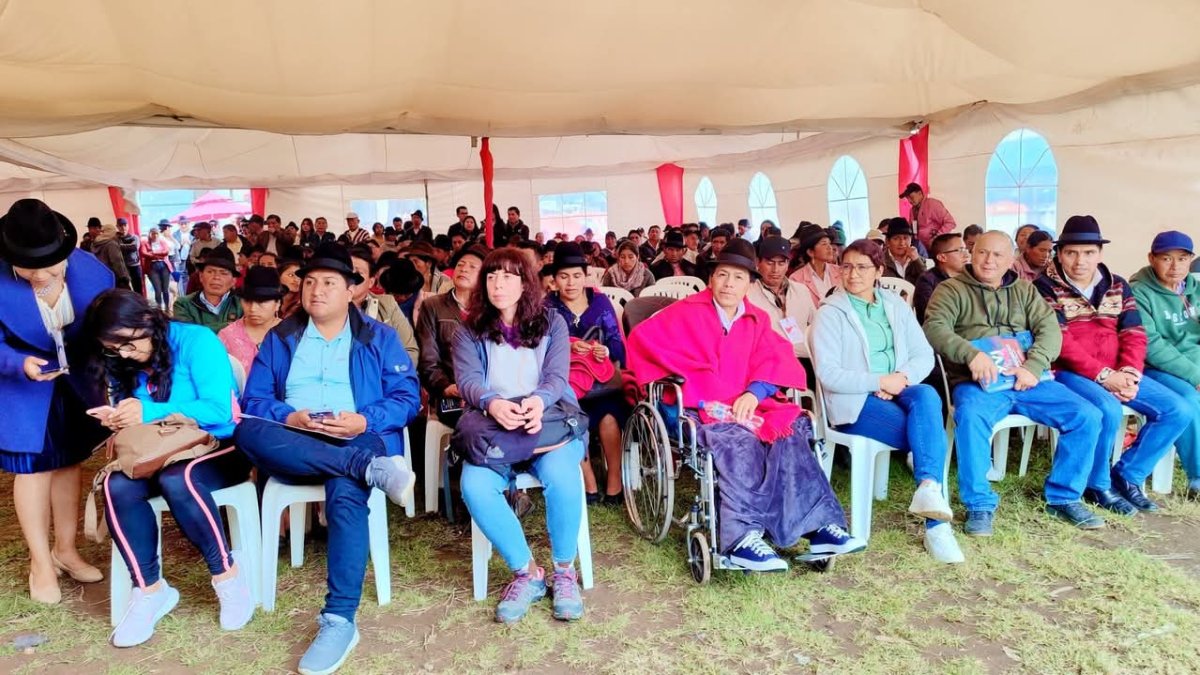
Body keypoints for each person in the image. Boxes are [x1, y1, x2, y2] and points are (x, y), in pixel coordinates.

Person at [235, 241, 420, 674]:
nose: (316, 291)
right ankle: (368, 470)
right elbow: (255, 400)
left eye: (329, 283)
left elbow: (408, 399)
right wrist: (291, 416)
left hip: (357, 435)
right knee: (246, 430)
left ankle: (339, 620)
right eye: (310, 282)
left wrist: (362, 421)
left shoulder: (379, 336)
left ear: (352, 290)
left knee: (345, 493)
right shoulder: (282, 337)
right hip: (294, 440)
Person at [627, 239, 864, 572]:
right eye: (722, 275)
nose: (728, 284)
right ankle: (742, 538)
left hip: (747, 404)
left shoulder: (756, 319)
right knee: (739, 440)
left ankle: (819, 526)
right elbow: (641, 342)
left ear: (750, 285)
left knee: (792, 428)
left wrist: (754, 393)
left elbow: (777, 362)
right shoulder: (686, 311)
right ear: (711, 279)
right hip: (700, 406)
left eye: (738, 278)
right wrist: (696, 382)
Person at [85, 289, 254, 647]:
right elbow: (140, 417)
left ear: (146, 320)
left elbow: (218, 411)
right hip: (159, 451)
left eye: (128, 345)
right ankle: (150, 589)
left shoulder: (197, 341)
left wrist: (149, 412)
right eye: (114, 349)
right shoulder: (125, 359)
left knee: (180, 478)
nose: (124, 354)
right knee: (117, 483)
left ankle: (227, 575)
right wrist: (119, 417)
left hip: (219, 444)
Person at [923, 231, 1104, 535]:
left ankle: (1063, 497)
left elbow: (1050, 330)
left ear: (1010, 260)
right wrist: (970, 354)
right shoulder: (950, 290)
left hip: (1027, 379)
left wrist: (1033, 366)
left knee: (1087, 415)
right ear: (971, 253)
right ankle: (979, 504)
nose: (989, 260)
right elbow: (935, 328)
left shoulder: (1025, 290)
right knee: (970, 416)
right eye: (982, 253)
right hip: (978, 380)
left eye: (997, 255)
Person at [452, 247, 589, 624]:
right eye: (492, 276)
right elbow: (468, 380)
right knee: (475, 486)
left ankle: (564, 571)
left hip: (549, 417)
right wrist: (492, 403)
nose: (499, 284)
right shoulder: (469, 328)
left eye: (509, 276)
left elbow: (557, 377)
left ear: (526, 282)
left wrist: (537, 403)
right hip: (494, 423)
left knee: (562, 476)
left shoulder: (553, 323)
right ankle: (527, 572)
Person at [812, 239, 963, 563]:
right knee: (926, 435)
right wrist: (879, 381)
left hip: (898, 386)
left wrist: (900, 380)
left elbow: (923, 355)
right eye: (847, 266)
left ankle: (928, 490)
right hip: (854, 400)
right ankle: (937, 527)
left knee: (926, 393)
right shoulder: (830, 313)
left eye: (862, 267)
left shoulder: (894, 305)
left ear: (879, 271)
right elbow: (829, 374)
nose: (853, 274)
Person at [1034, 216, 1188, 516]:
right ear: (1059, 253)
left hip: (1120, 370)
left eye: (1089, 252)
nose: (1080, 261)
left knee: (1177, 410)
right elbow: (1061, 342)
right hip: (1070, 371)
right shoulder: (1044, 287)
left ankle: (1127, 475)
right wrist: (1105, 376)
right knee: (1108, 408)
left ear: (1099, 254)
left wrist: (1129, 370)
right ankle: (1097, 484)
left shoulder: (1117, 285)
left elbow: (1134, 332)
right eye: (1071, 252)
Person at [0, 199, 114, 604]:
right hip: (22, 389)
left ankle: (65, 551)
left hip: (77, 381)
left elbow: (111, 322)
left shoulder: (92, 271)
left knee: (69, 462)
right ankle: (40, 564)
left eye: (51, 267)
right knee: (32, 470)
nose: (42, 276)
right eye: (30, 270)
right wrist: (16, 362)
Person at [545, 242, 628, 505]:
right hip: (565, 383)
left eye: (576, 275)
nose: (571, 283)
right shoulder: (547, 307)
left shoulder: (600, 301)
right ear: (554, 280)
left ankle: (614, 478)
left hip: (601, 381)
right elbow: (540, 348)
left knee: (609, 416)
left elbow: (617, 344)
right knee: (570, 415)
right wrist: (568, 347)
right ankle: (588, 478)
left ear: (586, 276)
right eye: (563, 276)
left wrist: (604, 349)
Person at [1129, 231, 1200, 499]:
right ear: (1152, 259)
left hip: (1193, 361)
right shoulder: (1139, 291)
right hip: (1156, 367)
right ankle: (1198, 477)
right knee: (1189, 398)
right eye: (1166, 258)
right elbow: (1152, 346)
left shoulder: (1195, 288)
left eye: (1182, 259)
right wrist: (1195, 374)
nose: (1175, 266)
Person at [417, 245, 486, 426]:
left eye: (472, 267)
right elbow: (427, 358)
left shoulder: (490, 309)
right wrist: (446, 387)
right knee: (474, 422)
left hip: (488, 392)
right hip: (450, 392)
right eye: (461, 264)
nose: (464, 269)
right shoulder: (433, 306)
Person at [748, 235, 817, 361]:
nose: (775, 269)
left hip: (801, 358)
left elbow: (817, 324)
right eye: (770, 263)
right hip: (768, 360)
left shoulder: (801, 290)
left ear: (788, 264)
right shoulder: (748, 293)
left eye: (781, 263)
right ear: (758, 263)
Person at [348, 247, 419, 364]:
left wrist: (389, 377)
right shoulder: (324, 307)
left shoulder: (387, 305)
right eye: (347, 271)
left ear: (371, 282)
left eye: (358, 273)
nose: (351, 277)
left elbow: (409, 349)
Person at [218, 266, 283, 376]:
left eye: (261, 302)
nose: (253, 308)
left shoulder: (290, 335)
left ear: (278, 304)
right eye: (247, 301)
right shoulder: (227, 336)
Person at [173, 247, 244, 332]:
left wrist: (201, 329)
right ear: (201, 276)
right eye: (210, 272)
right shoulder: (183, 304)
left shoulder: (242, 304)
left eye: (223, 273)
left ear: (233, 281)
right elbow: (188, 335)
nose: (216, 277)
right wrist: (229, 326)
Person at [914, 232, 969, 323]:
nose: (966, 255)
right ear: (942, 257)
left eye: (965, 250)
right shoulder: (927, 281)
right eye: (960, 250)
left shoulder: (971, 277)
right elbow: (931, 316)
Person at [789, 226, 842, 306]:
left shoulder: (839, 271)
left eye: (829, 243)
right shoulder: (796, 279)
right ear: (810, 252)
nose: (830, 247)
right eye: (824, 244)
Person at [900, 182, 957, 253]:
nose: (909, 201)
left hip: (936, 248)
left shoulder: (932, 204)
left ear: (920, 193)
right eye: (907, 199)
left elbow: (950, 223)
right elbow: (912, 228)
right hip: (921, 248)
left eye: (911, 197)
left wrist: (935, 238)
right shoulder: (913, 210)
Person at [881, 218, 926, 286]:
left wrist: (917, 261)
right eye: (896, 238)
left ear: (911, 240)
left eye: (906, 238)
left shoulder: (918, 260)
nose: (902, 243)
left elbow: (928, 281)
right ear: (887, 241)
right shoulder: (880, 261)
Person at [140, 227, 173, 311]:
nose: (154, 235)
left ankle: (167, 308)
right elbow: (143, 253)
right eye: (153, 233)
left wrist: (153, 253)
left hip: (164, 265)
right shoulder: (145, 242)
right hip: (152, 267)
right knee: (157, 289)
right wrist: (159, 255)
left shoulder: (162, 242)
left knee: (165, 289)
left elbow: (166, 252)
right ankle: (159, 309)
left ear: (158, 234)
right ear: (149, 234)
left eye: (156, 233)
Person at [92, 222, 132, 290]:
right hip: (116, 278)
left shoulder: (94, 244)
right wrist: (123, 277)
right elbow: (117, 261)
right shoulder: (111, 244)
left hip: (103, 278)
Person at [116, 218, 144, 296]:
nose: (123, 227)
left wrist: (120, 246)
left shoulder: (134, 237)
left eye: (125, 225)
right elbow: (114, 247)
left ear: (128, 226)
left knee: (138, 289)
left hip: (134, 266)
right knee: (125, 290)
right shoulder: (116, 238)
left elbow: (134, 247)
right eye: (120, 226)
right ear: (117, 227)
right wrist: (127, 246)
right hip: (122, 266)